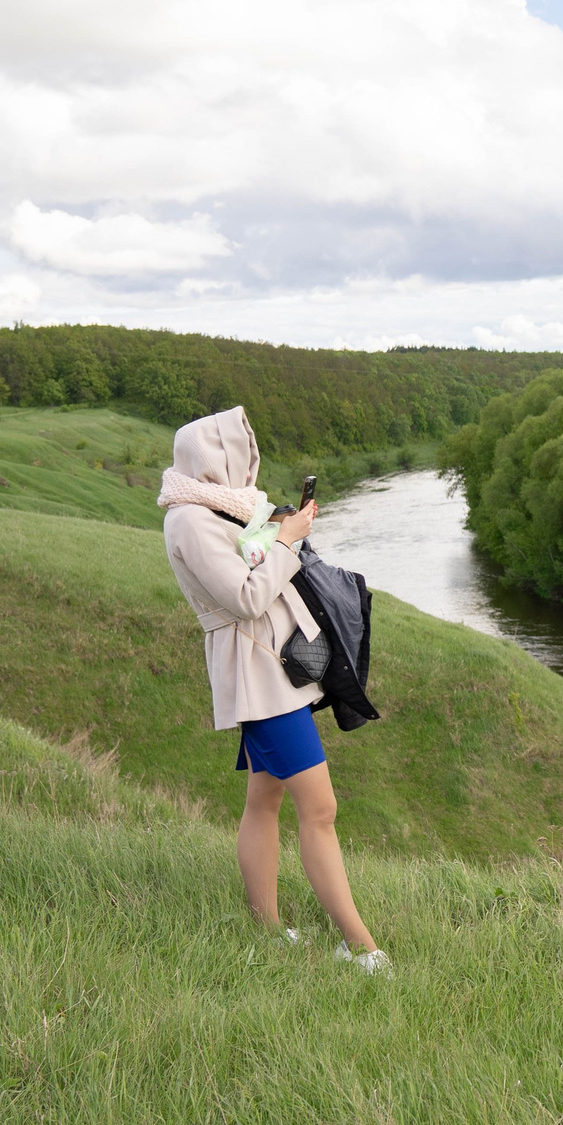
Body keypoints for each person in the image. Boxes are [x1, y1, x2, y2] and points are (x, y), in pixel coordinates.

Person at [158, 407, 387, 974]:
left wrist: (277, 530)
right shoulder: (189, 520)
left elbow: (257, 564)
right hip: (259, 679)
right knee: (322, 808)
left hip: (273, 673)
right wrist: (285, 541)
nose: (249, 460)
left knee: (265, 798)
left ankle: (265, 929)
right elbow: (246, 598)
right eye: (241, 451)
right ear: (220, 458)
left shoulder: (223, 507)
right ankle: (361, 948)